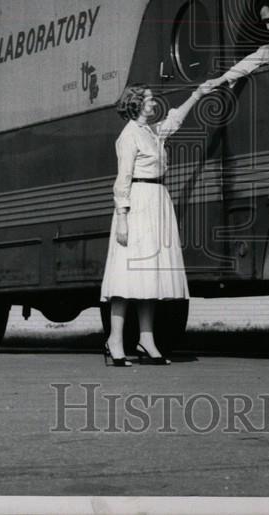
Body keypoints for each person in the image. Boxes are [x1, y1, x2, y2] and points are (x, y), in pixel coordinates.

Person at [100, 79, 215, 366]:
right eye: (150, 99)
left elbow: (174, 120)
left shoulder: (150, 133)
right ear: (137, 103)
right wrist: (123, 218)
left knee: (148, 275)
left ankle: (146, 340)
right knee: (127, 275)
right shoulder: (130, 136)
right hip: (137, 205)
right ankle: (114, 340)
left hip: (157, 202)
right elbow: (122, 180)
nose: (154, 103)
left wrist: (197, 94)